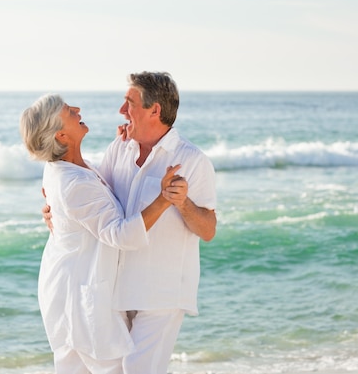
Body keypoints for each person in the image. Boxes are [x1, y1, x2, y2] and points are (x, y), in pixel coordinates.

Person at [45, 72, 217, 374]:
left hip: (161, 291)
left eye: (129, 103)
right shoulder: (119, 148)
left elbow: (208, 230)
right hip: (117, 290)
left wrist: (182, 202)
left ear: (155, 111)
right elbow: (97, 196)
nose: (122, 111)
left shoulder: (192, 160)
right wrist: (58, 210)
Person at [20, 93, 183, 374]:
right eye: (68, 111)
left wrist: (123, 146)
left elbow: (97, 204)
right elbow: (120, 235)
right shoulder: (73, 182)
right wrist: (164, 198)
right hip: (80, 298)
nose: (77, 109)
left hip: (73, 289)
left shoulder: (73, 169)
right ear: (61, 135)